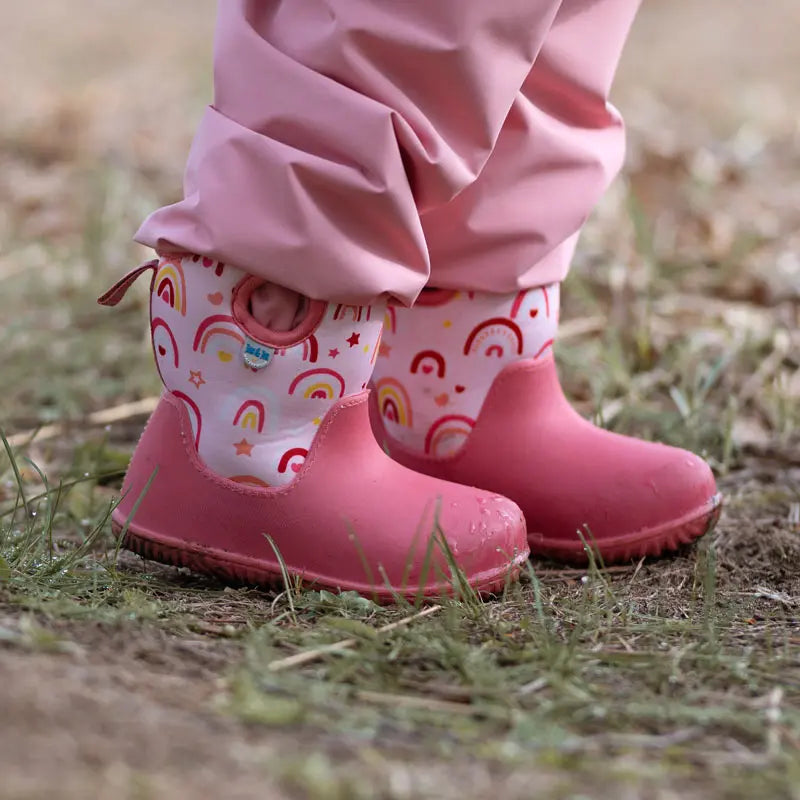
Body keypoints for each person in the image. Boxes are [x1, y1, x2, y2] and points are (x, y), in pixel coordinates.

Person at [100, 0, 721, 600]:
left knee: (546, 35)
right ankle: (255, 422)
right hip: (266, 385)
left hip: (466, 379)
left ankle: (453, 390)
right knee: (411, 19)